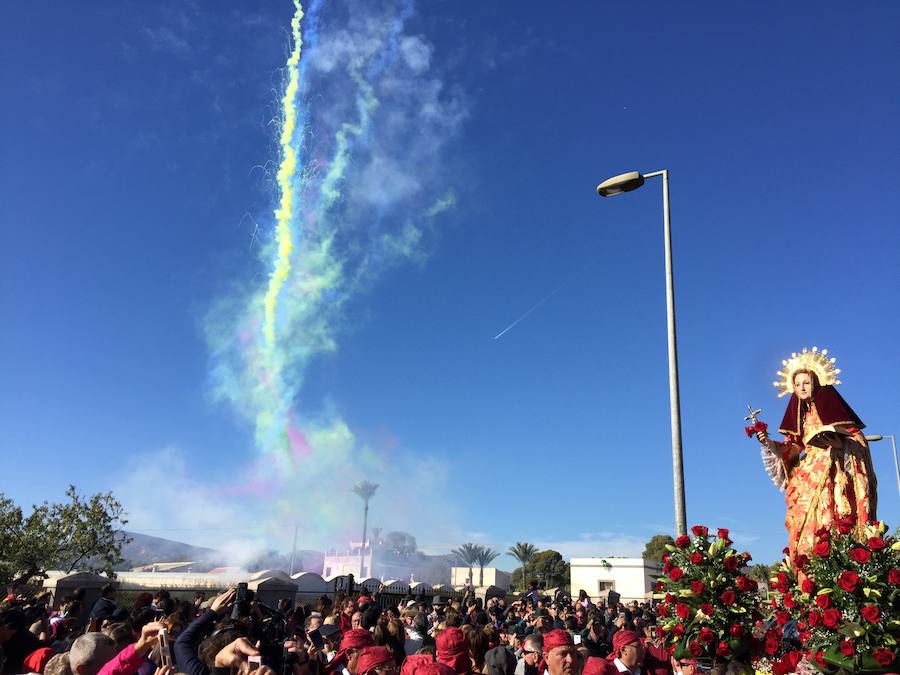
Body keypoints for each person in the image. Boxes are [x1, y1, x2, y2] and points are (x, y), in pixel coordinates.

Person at [754, 349, 878, 564]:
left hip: (834, 470)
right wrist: (767, 442)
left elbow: (858, 440)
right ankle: (807, 564)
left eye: (806, 383)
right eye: (798, 384)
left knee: (834, 516)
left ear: (816, 383)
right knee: (803, 520)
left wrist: (840, 443)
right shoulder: (800, 415)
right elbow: (791, 449)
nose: (802, 388)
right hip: (808, 475)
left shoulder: (831, 407)